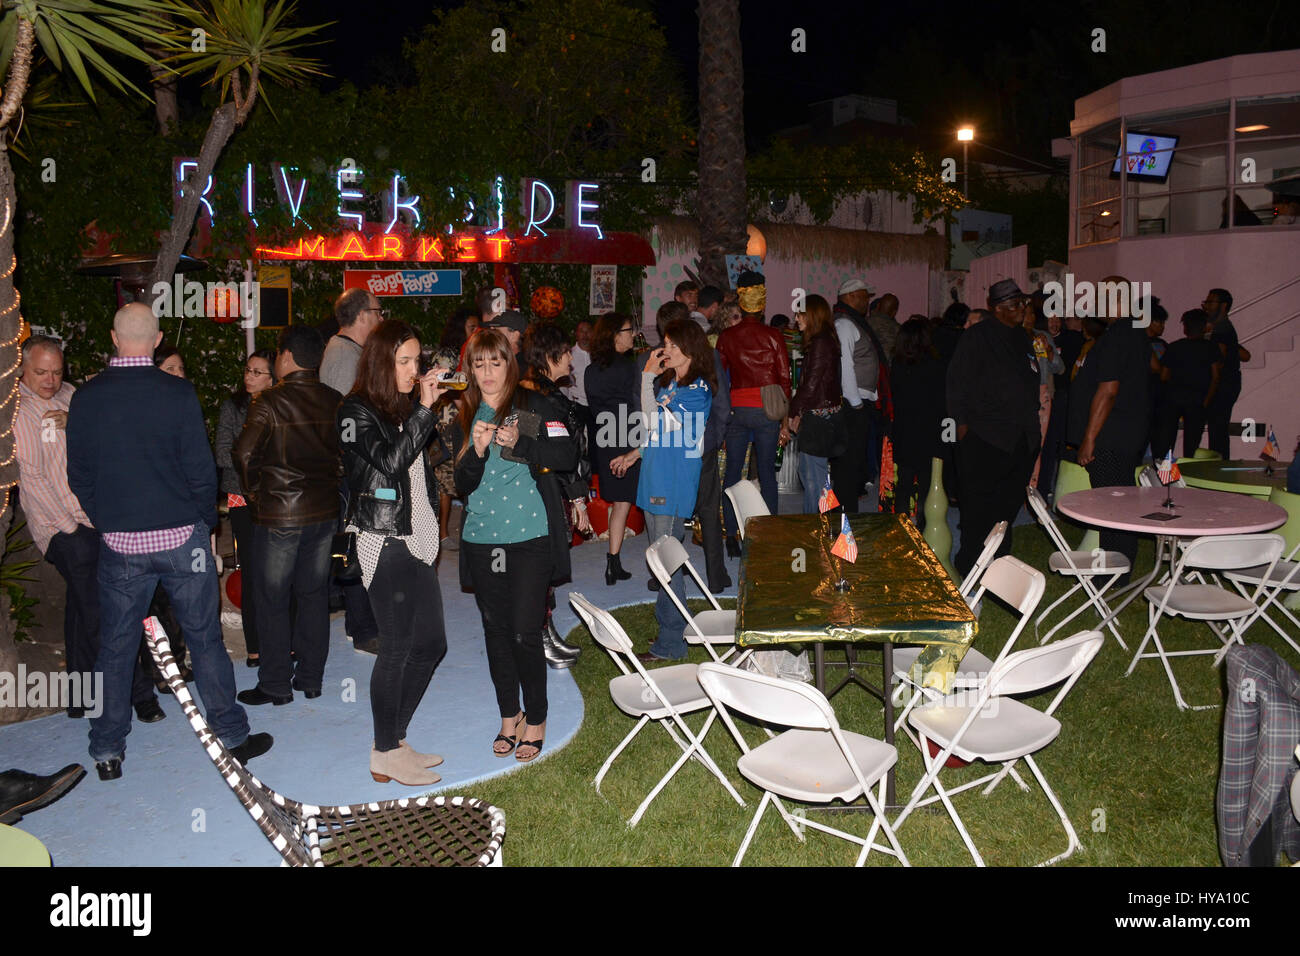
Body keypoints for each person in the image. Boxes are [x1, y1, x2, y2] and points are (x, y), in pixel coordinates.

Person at [67, 303, 271, 780]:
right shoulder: (178, 394)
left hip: (120, 546)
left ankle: (106, 751)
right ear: (157, 341)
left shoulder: (88, 398)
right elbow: (202, 471)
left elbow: (79, 475)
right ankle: (232, 737)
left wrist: (108, 521)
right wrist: (204, 524)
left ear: (115, 338)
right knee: (204, 640)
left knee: (115, 648)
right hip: (183, 538)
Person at [16, 335, 162, 721]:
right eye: (40, 372)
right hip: (61, 527)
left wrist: (77, 420)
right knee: (106, 610)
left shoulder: (73, 395)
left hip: (97, 517)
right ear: (22, 368)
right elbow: (31, 479)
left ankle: (81, 697)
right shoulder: (18, 409)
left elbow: (105, 442)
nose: (50, 380)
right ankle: (138, 694)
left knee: (85, 609)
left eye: (56, 371)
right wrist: (71, 528)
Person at [448, 329, 578, 763]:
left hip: (528, 537)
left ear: (510, 364)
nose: (487, 373)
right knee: (496, 632)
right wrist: (478, 452)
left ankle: (537, 718)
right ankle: (510, 716)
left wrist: (519, 442)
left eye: (495, 363)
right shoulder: (465, 413)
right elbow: (462, 483)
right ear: (470, 369)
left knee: (525, 632)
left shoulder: (531, 406)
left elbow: (566, 456)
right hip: (482, 540)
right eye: (479, 364)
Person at [339, 320, 450, 786]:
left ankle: (394, 741)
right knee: (399, 645)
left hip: (416, 537)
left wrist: (430, 415)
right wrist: (424, 409)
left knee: (432, 645)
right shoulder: (353, 411)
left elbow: (427, 463)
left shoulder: (402, 407)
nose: (413, 369)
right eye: (403, 361)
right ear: (380, 362)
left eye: (416, 360)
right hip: (382, 539)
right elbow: (388, 461)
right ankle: (385, 749)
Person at [233, 326, 341, 706]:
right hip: (324, 513)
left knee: (272, 599)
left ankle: (276, 684)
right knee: (313, 596)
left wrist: (254, 496)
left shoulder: (269, 401)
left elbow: (244, 455)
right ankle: (310, 679)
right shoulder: (335, 400)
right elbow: (344, 457)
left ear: (288, 357)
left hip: (279, 515)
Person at [609, 318, 715, 662]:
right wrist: (633, 454)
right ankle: (672, 632)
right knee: (662, 561)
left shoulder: (697, 391)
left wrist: (645, 377)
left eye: (671, 344)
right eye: (664, 343)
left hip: (672, 482)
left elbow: (655, 421)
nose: (663, 350)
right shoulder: (673, 386)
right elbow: (658, 433)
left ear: (689, 349)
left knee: (666, 564)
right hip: (655, 477)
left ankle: (671, 641)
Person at [946, 280, 1041, 576]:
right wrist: (963, 430)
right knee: (978, 508)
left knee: (1006, 509)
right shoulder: (977, 338)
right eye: (1014, 306)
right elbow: (955, 385)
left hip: (1020, 438)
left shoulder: (1022, 338)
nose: (1021, 310)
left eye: (1022, 304)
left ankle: (999, 562)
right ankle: (971, 564)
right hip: (985, 438)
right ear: (997, 308)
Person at [520, 321, 592, 667]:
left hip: (547, 488)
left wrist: (575, 495)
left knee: (545, 567)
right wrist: (576, 495)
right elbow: (541, 453)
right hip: (538, 493)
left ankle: (545, 633)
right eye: (565, 352)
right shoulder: (535, 399)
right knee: (540, 566)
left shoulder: (544, 396)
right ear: (549, 356)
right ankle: (539, 638)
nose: (571, 358)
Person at [1068, 305, 1152, 579]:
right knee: (1117, 507)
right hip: (1125, 433)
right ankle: (1116, 570)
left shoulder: (1119, 335)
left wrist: (1089, 439)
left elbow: (1108, 391)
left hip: (1110, 437)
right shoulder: (1135, 331)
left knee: (1111, 509)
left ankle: (1114, 574)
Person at [213, 348, 276, 667]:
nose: (249, 377)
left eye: (257, 372)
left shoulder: (280, 405)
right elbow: (223, 454)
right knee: (251, 571)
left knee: (276, 572)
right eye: (248, 370)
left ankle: (281, 642)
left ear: (272, 378)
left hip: (277, 498)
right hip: (241, 496)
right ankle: (254, 647)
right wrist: (256, 461)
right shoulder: (233, 407)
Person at [716, 270, 789, 545]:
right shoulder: (773, 336)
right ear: (762, 302)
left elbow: (720, 382)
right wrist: (785, 421)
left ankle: (731, 534)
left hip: (736, 411)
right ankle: (767, 532)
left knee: (733, 473)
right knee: (767, 473)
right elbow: (784, 380)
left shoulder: (727, 337)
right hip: (767, 410)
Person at [585, 312, 641, 585]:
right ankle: (623, 562)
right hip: (630, 439)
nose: (633, 334)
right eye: (630, 329)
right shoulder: (630, 368)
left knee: (620, 503)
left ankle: (613, 561)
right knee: (636, 503)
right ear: (615, 335)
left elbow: (595, 409)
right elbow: (639, 404)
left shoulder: (591, 370)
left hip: (605, 440)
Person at [782, 294, 841, 514]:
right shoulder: (825, 339)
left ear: (812, 314)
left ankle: (817, 526)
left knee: (814, 477)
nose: (796, 318)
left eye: (800, 314)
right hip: (822, 413)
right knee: (812, 474)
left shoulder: (820, 342)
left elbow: (810, 385)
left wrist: (792, 412)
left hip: (819, 417)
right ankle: (820, 524)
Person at [830, 277, 884, 513]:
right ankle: (845, 514)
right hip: (853, 403)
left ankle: (845, 510)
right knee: (848, 464)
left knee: (853, 461)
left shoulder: (854, 322)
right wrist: (855, 403)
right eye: (864, 296)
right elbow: (845, 366)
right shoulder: (844, 324)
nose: (866, 301)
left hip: (861, 400)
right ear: (851, 296)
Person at [888, 318, 947, 526]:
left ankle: (901, 523)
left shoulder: (897, 363)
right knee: (925, 483)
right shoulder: (935, 365)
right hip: (929, 429)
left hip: (904, 428)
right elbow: (941, 400)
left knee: (903, 481)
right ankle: (923, 525)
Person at [1153, 309, 1221, 460]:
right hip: (1197, 401)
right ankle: (1188, 478)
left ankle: (1163, 478)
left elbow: (1163, 376)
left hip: (1172, 400)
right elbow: (1216, 377)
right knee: (1191, 448)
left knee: (1165, 445)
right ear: (1204, 327)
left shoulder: (1175, 346)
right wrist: (1206, 401)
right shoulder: (1210, 347)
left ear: (1185, 328)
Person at [1204, 288, 1249, 458]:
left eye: (1210, 302)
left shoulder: (1221, 329)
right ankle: (1219, 464)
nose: (1206, 306)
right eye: (1206, 302)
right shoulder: (1221, 329)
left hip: (1222, 385)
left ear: (1223, 306)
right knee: (1218, 429)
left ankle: (1218, 466)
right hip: (1227, 384)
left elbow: (1219, 360)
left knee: (1217, 430)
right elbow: (1245, 355)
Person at [320, 288, 385, 396]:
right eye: (378, 312)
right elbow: (344, 409)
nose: (381, 319)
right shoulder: (345, 356)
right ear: (362, 315)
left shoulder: (344, 348)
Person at [562, 318, 594, 407]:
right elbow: (563, 383)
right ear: (576, 334)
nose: (585, 334)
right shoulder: (568, 355)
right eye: (581, 331)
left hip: (596, 404)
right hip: (576, 404)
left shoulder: (598, 354)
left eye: (588, 331)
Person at [867, 293, 901, 366]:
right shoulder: (899, 330)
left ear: (878, 306)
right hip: (890, 370)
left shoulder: (865, 323)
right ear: (894, 312)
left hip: (870, 368)